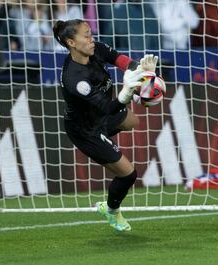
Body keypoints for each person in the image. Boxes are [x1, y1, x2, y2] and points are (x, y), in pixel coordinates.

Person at [53, 19, 158, 231]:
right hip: (86, 130)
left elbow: (122, 61)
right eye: (86, 35)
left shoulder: (96, 49)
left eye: (90, 33)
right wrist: (127, 94)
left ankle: (107, 144)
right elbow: (109, 108)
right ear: (72, 42)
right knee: (129, 174)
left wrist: (143, 73)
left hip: (100, 117)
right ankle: (111, 210)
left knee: (132, 120)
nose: (91, 39)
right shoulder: (75, 80)